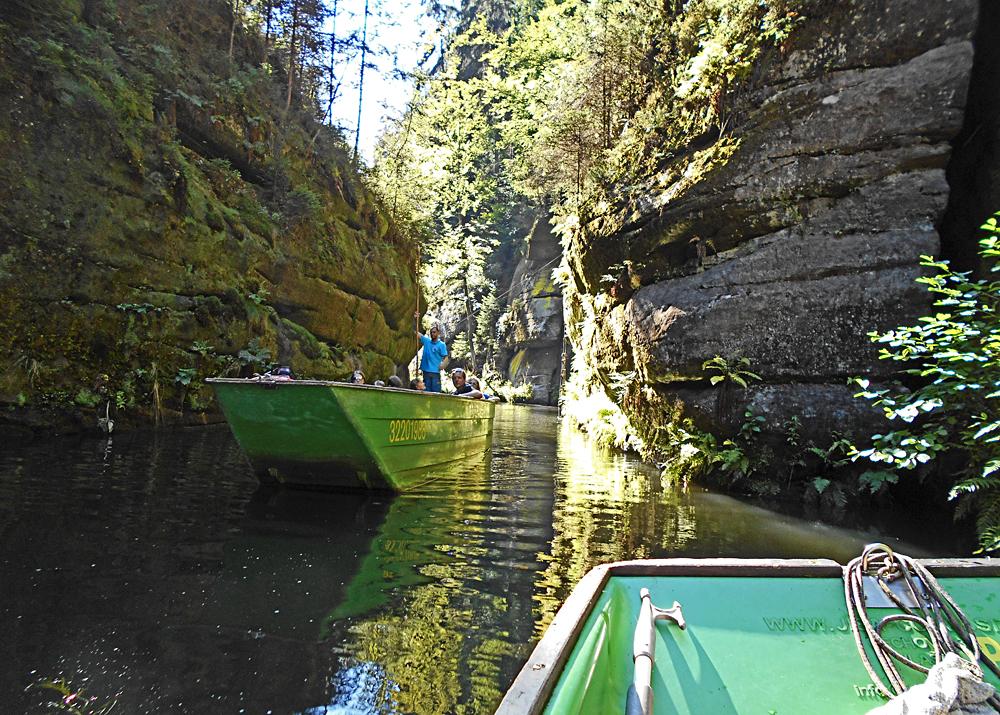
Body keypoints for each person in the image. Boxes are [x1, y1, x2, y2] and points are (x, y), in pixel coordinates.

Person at [415, 314, 448, 393]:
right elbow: (416, 333)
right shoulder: (426, 341)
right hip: (426, 372)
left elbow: (446, 357)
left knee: (436, 392)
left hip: (435, 372)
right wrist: (416, 319)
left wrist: (443, 364)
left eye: (434, 332)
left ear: (438, 333)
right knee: (426, 391)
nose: (432, 334)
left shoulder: (441, 345)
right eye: (431, 332)